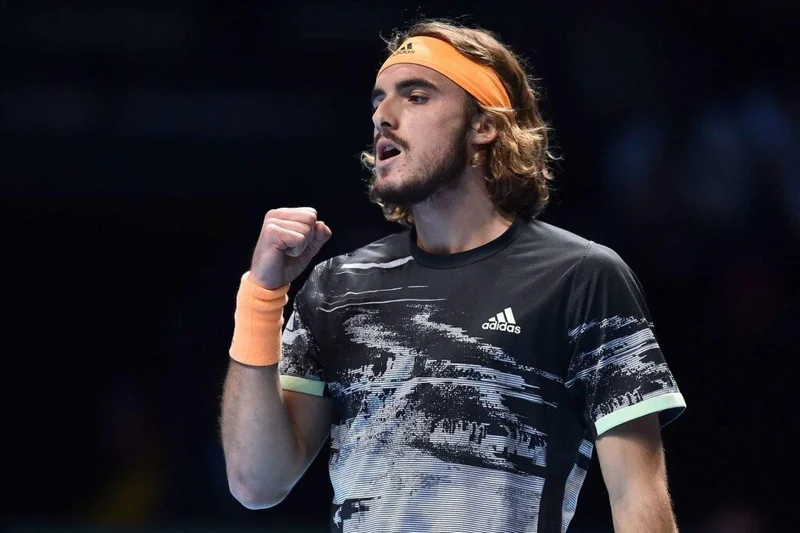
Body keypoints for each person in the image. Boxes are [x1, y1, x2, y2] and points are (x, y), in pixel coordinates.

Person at [220, 19, 687, 533]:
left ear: (483, 125)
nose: (383, 116)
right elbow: (255, 483)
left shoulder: (581, 277)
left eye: (416, 96)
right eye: (378, 100)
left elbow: (637, 496)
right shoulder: (336, 286)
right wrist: (262, 294)